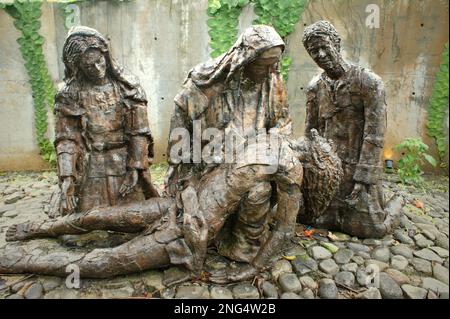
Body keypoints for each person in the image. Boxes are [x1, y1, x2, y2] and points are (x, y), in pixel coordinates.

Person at [166, 25, 293, 262]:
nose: (270, 72)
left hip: (254, 164)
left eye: (275, 64)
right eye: (263, 65)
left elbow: (283, 124)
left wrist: (267, 144)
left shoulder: (274, 82)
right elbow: (180, 124)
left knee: (259, 190)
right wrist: (184, 165)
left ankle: (242, 244)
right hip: (212, 163)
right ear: (246, 59)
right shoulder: (206, 81)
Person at [300, 21, 403, 238]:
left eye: (323, 46)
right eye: (313, 51)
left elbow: (374, 134)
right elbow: (311, 132)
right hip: (328, 170)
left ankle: (398, 203)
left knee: (370, 229)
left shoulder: (368, 82)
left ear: (335, 43)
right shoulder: (314, 87)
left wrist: (364, 177)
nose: (319, 54)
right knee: (311, 218)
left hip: (356, 168)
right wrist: (310, 173)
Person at [54, 26, 159, 217]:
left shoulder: (129, 88)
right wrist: (67, 177)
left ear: (106, 56)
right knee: (85, 222)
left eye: (99, 61)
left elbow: (139, 133)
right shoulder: (69, 95)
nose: (97, 69)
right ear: (77, 67)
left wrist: (135, 168)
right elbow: (67, 138)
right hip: (91, 166)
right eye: (88, 66)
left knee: (135, 217)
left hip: (125, 163)